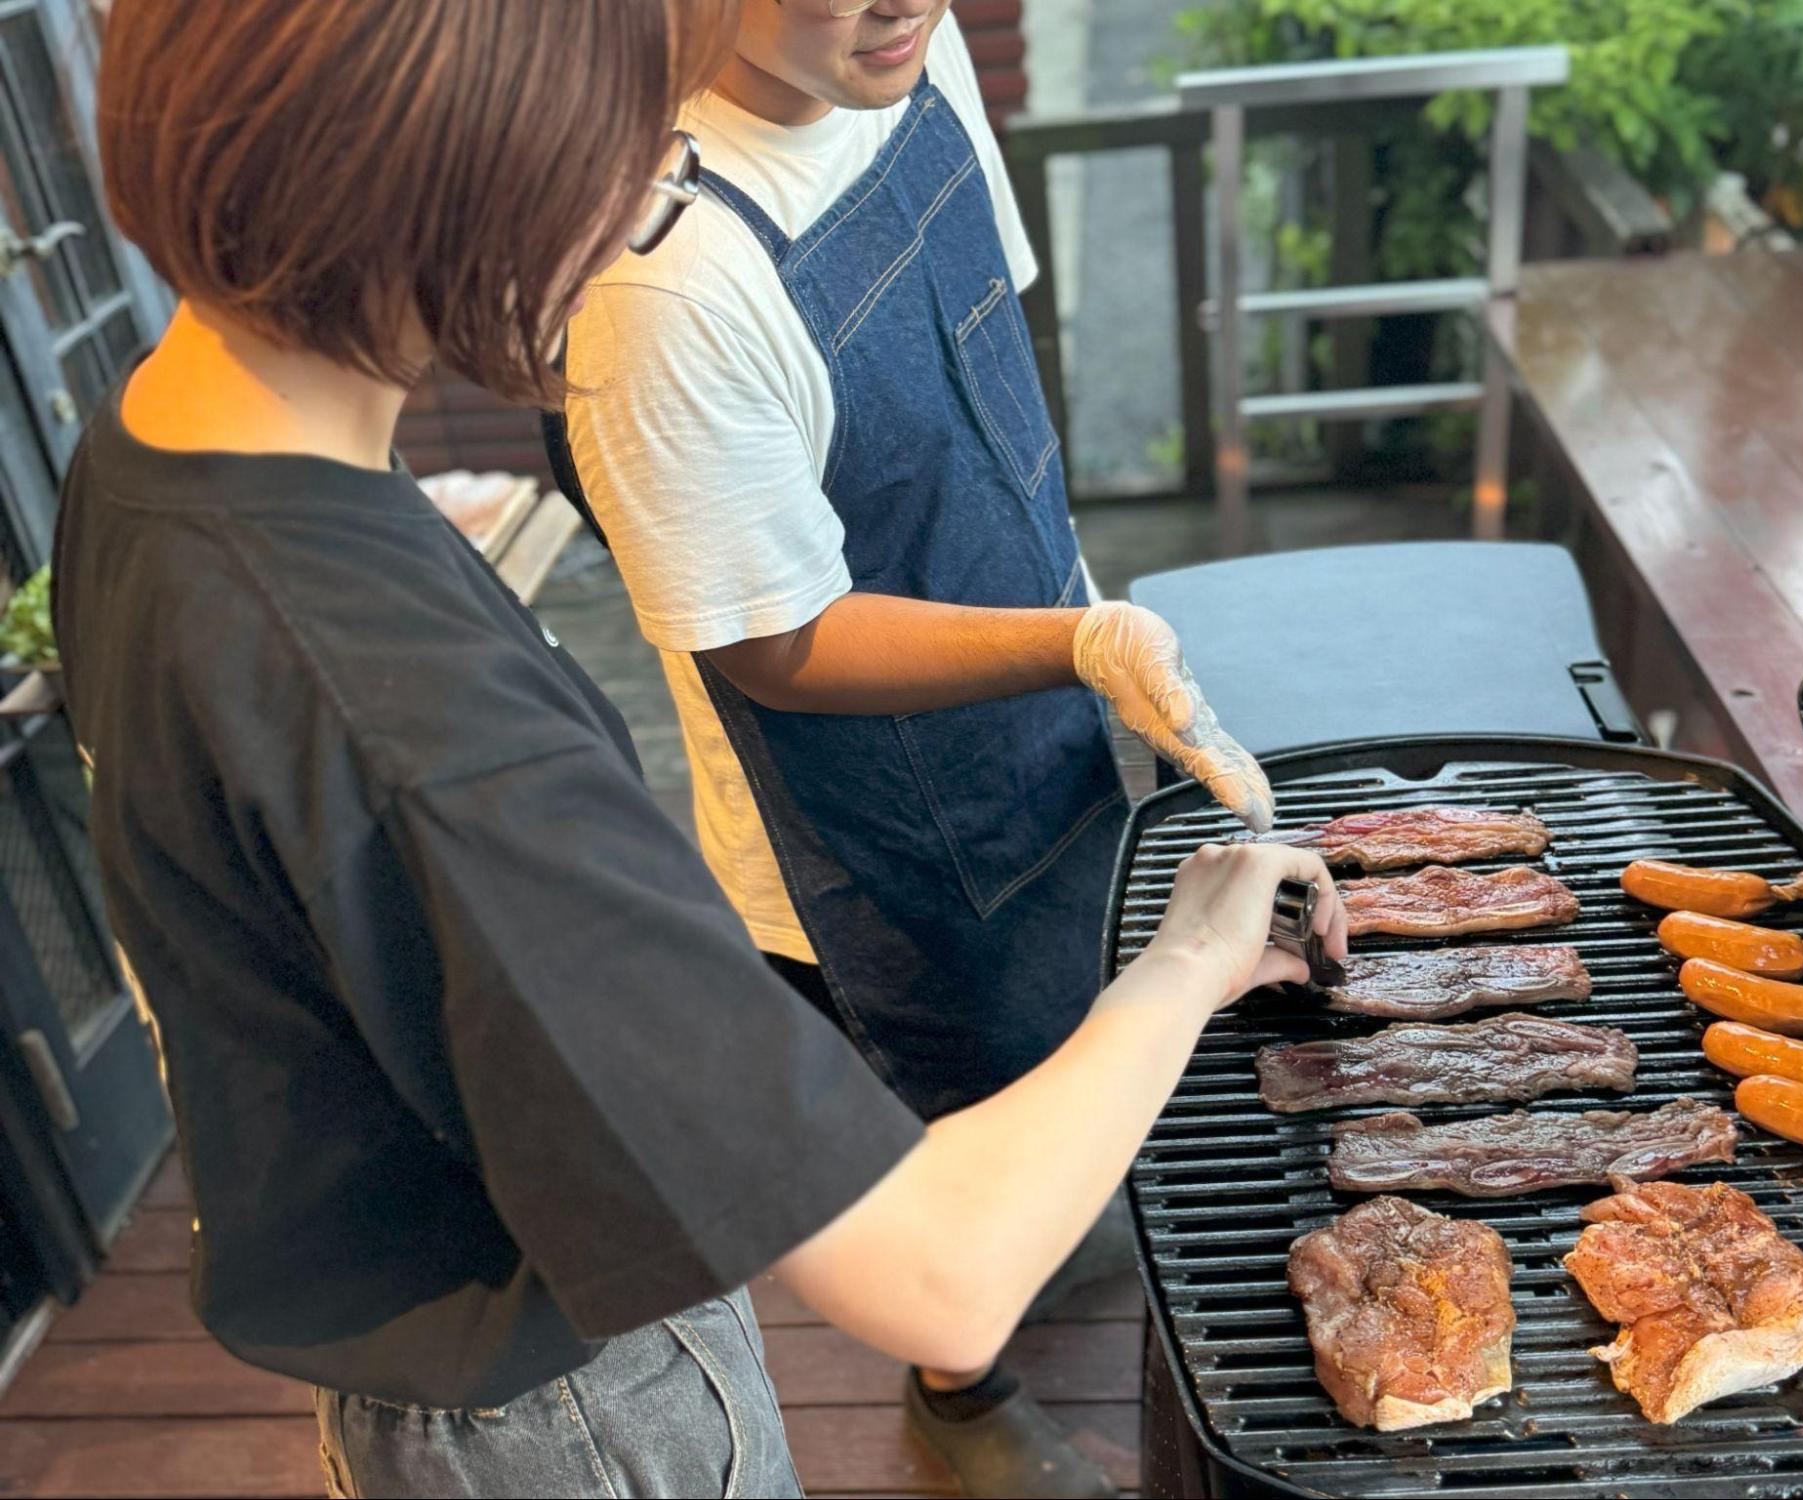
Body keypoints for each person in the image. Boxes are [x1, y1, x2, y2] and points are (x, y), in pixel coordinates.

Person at [58, 4, 1346, 1498]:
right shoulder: (425, 730)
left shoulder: (156, 450)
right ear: (461, 190)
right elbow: (941, 1277)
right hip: (570, 1423)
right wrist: (1188, 955)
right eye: (625, 175)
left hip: (435, 1352)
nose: (645, 212)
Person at [556, 8, 1270, 1487]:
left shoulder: (907, 57)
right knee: (958, 1091)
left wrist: (1074, 615)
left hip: (1041, 693)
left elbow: (985, 336)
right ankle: (960, 1402)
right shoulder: (662, 288)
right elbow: (777, 642)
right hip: (875, 820)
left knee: (1075, 1005)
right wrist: (1066, 642)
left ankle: (1052, 1229)